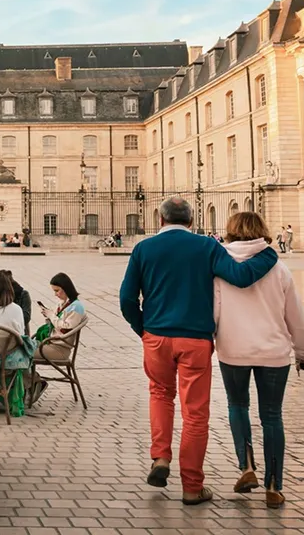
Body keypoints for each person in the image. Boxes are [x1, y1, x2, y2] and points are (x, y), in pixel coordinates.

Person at [119, 196, 279, 506]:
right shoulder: (206, 246)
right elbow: (241, 277)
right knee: (195, 414)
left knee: (160, 395)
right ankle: (192, 487)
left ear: (160, 221)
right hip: (195, 340)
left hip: (157, 336)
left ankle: (161, 457)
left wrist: (144, 329)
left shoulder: (143, 249)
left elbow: (127, 299)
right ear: (191, 222)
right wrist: (268, 255)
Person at [214, 212, 304, 509]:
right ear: (262, 232)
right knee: (271, 416)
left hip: (233, 349)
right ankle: (274, 485)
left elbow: (213, 311)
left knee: (237, 405)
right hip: (273, 352)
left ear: (230, 232)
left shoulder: (219, 267)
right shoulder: (278, 268)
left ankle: (246, 467)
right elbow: (295, 316)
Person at [31, 272, 87, 400]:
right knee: (23, 347)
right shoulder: (62, 304)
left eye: (57, 291)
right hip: (50, 343)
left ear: (65, 288)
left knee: (23, 351)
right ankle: (32, 382)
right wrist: (49, 316)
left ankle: (34, 382)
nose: (56, 294)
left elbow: (64, 329)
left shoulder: (76, 307)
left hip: (59, 348)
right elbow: (56, 324)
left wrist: (52, 316)